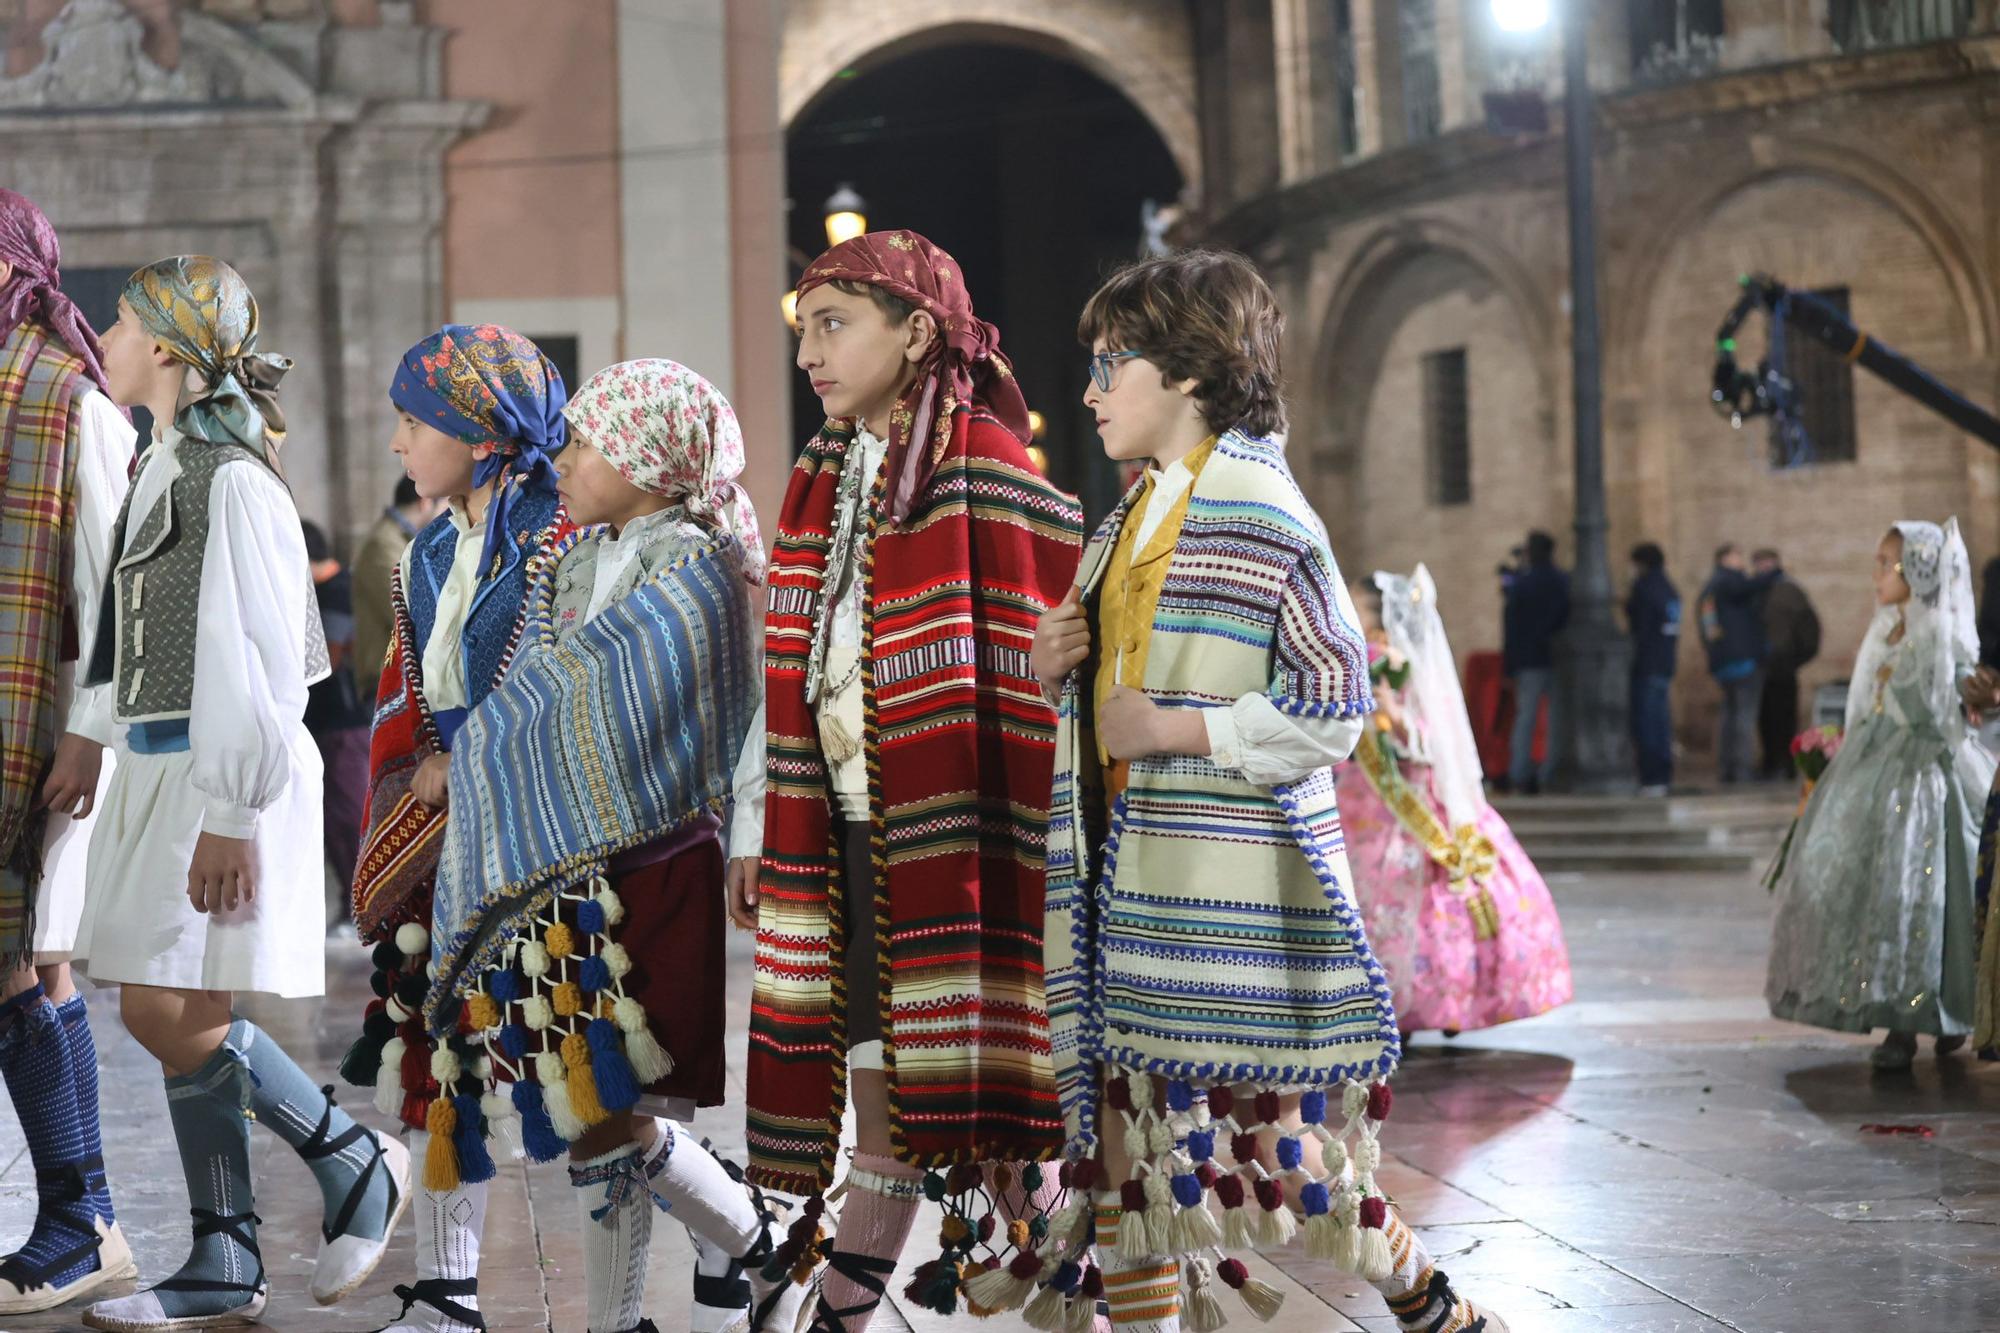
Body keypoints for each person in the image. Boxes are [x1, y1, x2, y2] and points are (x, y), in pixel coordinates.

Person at [1030, 250, 1508, 1333]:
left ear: (1190, 374)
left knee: (1282, 1155)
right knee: (1124, 1160)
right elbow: (1105, 687)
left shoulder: (1259, 509)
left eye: (1113, 363)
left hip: (1222, 900)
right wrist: (1059, 651)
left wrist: (1174, 727)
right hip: (1128, 890)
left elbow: (1335, 705)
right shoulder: (1124, 521)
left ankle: (1428, 1299)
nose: (1092, 389)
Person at [732, 231, 1085, 1332]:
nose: (810, 356)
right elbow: (792, 671)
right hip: (842, 835)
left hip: (960, 841)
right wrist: (760, 811)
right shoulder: (821, 480)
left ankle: (1073, 1291)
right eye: (807, 331)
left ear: (917, 331)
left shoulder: (981, 469)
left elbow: (1040, 675)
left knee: (973, 1106)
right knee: (893, 1096)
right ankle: (1033, 1291)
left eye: (834, 326)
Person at [421, 359, 806, 1333]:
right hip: (573, 871)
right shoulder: (571, 559)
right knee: (592, 1114)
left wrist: (490, 745)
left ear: (646, 459)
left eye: (589, 443)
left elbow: (616, 706)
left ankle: (752, 1236)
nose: (569, 457)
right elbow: (545, 691)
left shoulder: (700, 568)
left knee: (630, 1111)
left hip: (658, 859)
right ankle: (629, 1310)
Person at [74, 256, 408, 1331]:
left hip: (215, 773)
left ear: (166, 347)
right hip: (163, 763)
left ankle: (350, 1152)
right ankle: (223, 1258)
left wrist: (229, 809)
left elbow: (266, 660)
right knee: (179, 1004)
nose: (104, 335)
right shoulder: (162, 462)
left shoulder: (229, 477)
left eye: (120, 322)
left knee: (162, 1004)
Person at [341, 324, 570, 1333]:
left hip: (539, 846)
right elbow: (414, 692)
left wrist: (460, 761)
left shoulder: (556, 538)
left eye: (410, 420)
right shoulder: (434, 546)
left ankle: (734, 1239)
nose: (397, 444)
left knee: (602, 1104)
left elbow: (559, 692)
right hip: (447, 847)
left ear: (477, 435)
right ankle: (446, 1296)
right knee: (441, 1061)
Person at [0, 188, 136, 1315]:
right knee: (41, 966)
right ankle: (84, 1221)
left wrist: (90, 735)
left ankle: (76, 1215)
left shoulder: (73, 407)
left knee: (15, 964)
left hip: (44, 737)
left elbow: (119, 601)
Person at [1765, 519, 1993, 1070]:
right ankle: (1898, 1015)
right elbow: (1868, 701)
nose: (1877, 575)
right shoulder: (1884, 628)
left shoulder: (1939, 631)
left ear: (1917, 570)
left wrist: (1978, 688)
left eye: (1886, 563)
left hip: (1924, 777)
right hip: (1872, 771)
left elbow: (1961, 682)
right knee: (1871, 894)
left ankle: (1937, 1011)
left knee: (1924, 893)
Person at [1338, 567, 1572, 1038]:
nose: (1346, 614)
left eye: (1356, 608)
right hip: (1364, 798)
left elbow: (1436, 741)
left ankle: (1440, 1001)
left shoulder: (1404, 668)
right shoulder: (1358, 661)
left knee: (1425, 896)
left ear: (1381, 622)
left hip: (1412, 804)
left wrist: (1395, 716)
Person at [301, 519, 372, 896]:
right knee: (334, 817)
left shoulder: (336, 592)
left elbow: (327, 657)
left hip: (345, 723)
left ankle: (360, 905)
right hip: (328, 723)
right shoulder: (326, 589)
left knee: (349, 817)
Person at [1696, 544, 1781, 784]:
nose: (1741, 560)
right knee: (1744, 716)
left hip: (1723, 662)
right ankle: (1742, 770)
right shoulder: (1728, 580)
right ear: (1724, 559)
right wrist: (1773, 573)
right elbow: (1751, 586)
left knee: (1730, 715)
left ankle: (1727, 769)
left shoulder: (1711, 587)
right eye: (1736, 555)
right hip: (1743, 661)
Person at [353, 476, 439, 704]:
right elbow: (406, 611)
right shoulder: (383, 544)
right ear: (425, 501)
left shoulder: (401, 539)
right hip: (387, 679)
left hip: (401, 677)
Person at [1502, 531, 1568, 794]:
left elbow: (1511, 624)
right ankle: (1548, 773)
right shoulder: (1562, 580)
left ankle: (1519, 774)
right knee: (1555, 719)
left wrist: (1510, 662)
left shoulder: (1522, 584)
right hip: (1558, 658)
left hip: (1529, 659)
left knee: (1526, 718)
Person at [1754, 548, 1820, 780]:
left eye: (1766, 563)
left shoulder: (1790, 591)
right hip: (1760, 665)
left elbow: (1809, 627)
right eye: (1759, 564)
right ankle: (1770, 762)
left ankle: (1786, 764)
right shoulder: (1755, 590)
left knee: (1784, 716)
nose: (1763, 568)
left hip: (1784, 665)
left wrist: (1796, 658)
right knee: (1764, 718)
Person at [1626, 543, 1681, 796]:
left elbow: (1639, 625)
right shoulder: (1669, 588)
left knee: (1648, 722)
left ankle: (1652, 777)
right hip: (1665, 662)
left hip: (1647, 664)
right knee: (1661, 721)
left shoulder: (1645, 588)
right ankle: (1663, 775)